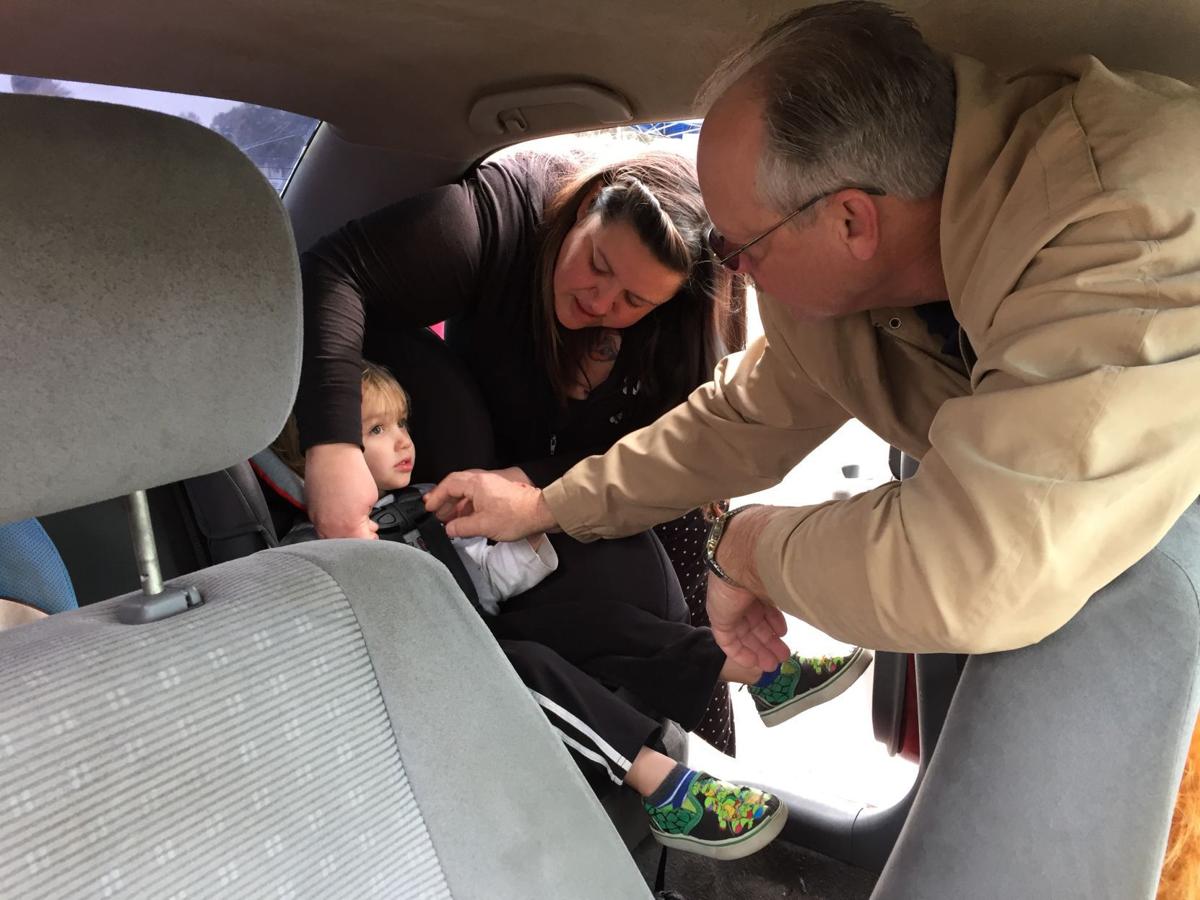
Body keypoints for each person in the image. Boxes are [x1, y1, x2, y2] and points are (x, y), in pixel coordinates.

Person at [422, 2, 1200, 891]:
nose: (733, 272)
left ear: (850, 223)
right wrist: (546, 506)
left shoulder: (1124, 227)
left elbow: (974, 562)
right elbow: (738, 419)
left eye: (736, 245)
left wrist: (750, 547)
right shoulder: (848, 274)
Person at [295, 146, 866, 753]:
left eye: (633, 303)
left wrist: (527, 485)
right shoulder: (499, 216)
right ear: (587, 208)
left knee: (645, 579)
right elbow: (333, 270)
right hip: (460, 498)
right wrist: (333, 448)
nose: (599, 303)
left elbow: (667, 454)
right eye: (596, 264)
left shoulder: (677, 339)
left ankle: (747, 682)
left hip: (568, 492)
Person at [271, 361, 798, 860]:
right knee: (520, 665)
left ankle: (759, 670)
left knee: (597, 620)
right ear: (312, 461)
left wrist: (527, 534)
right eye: (377, 430)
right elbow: (334, 642)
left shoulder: (426, 500)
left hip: (476, 625)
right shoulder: (308, 551)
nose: (404, 439)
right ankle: (663, 787)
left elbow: (488, 583)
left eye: (402, 422)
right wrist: (356, 557)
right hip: (423, 672)